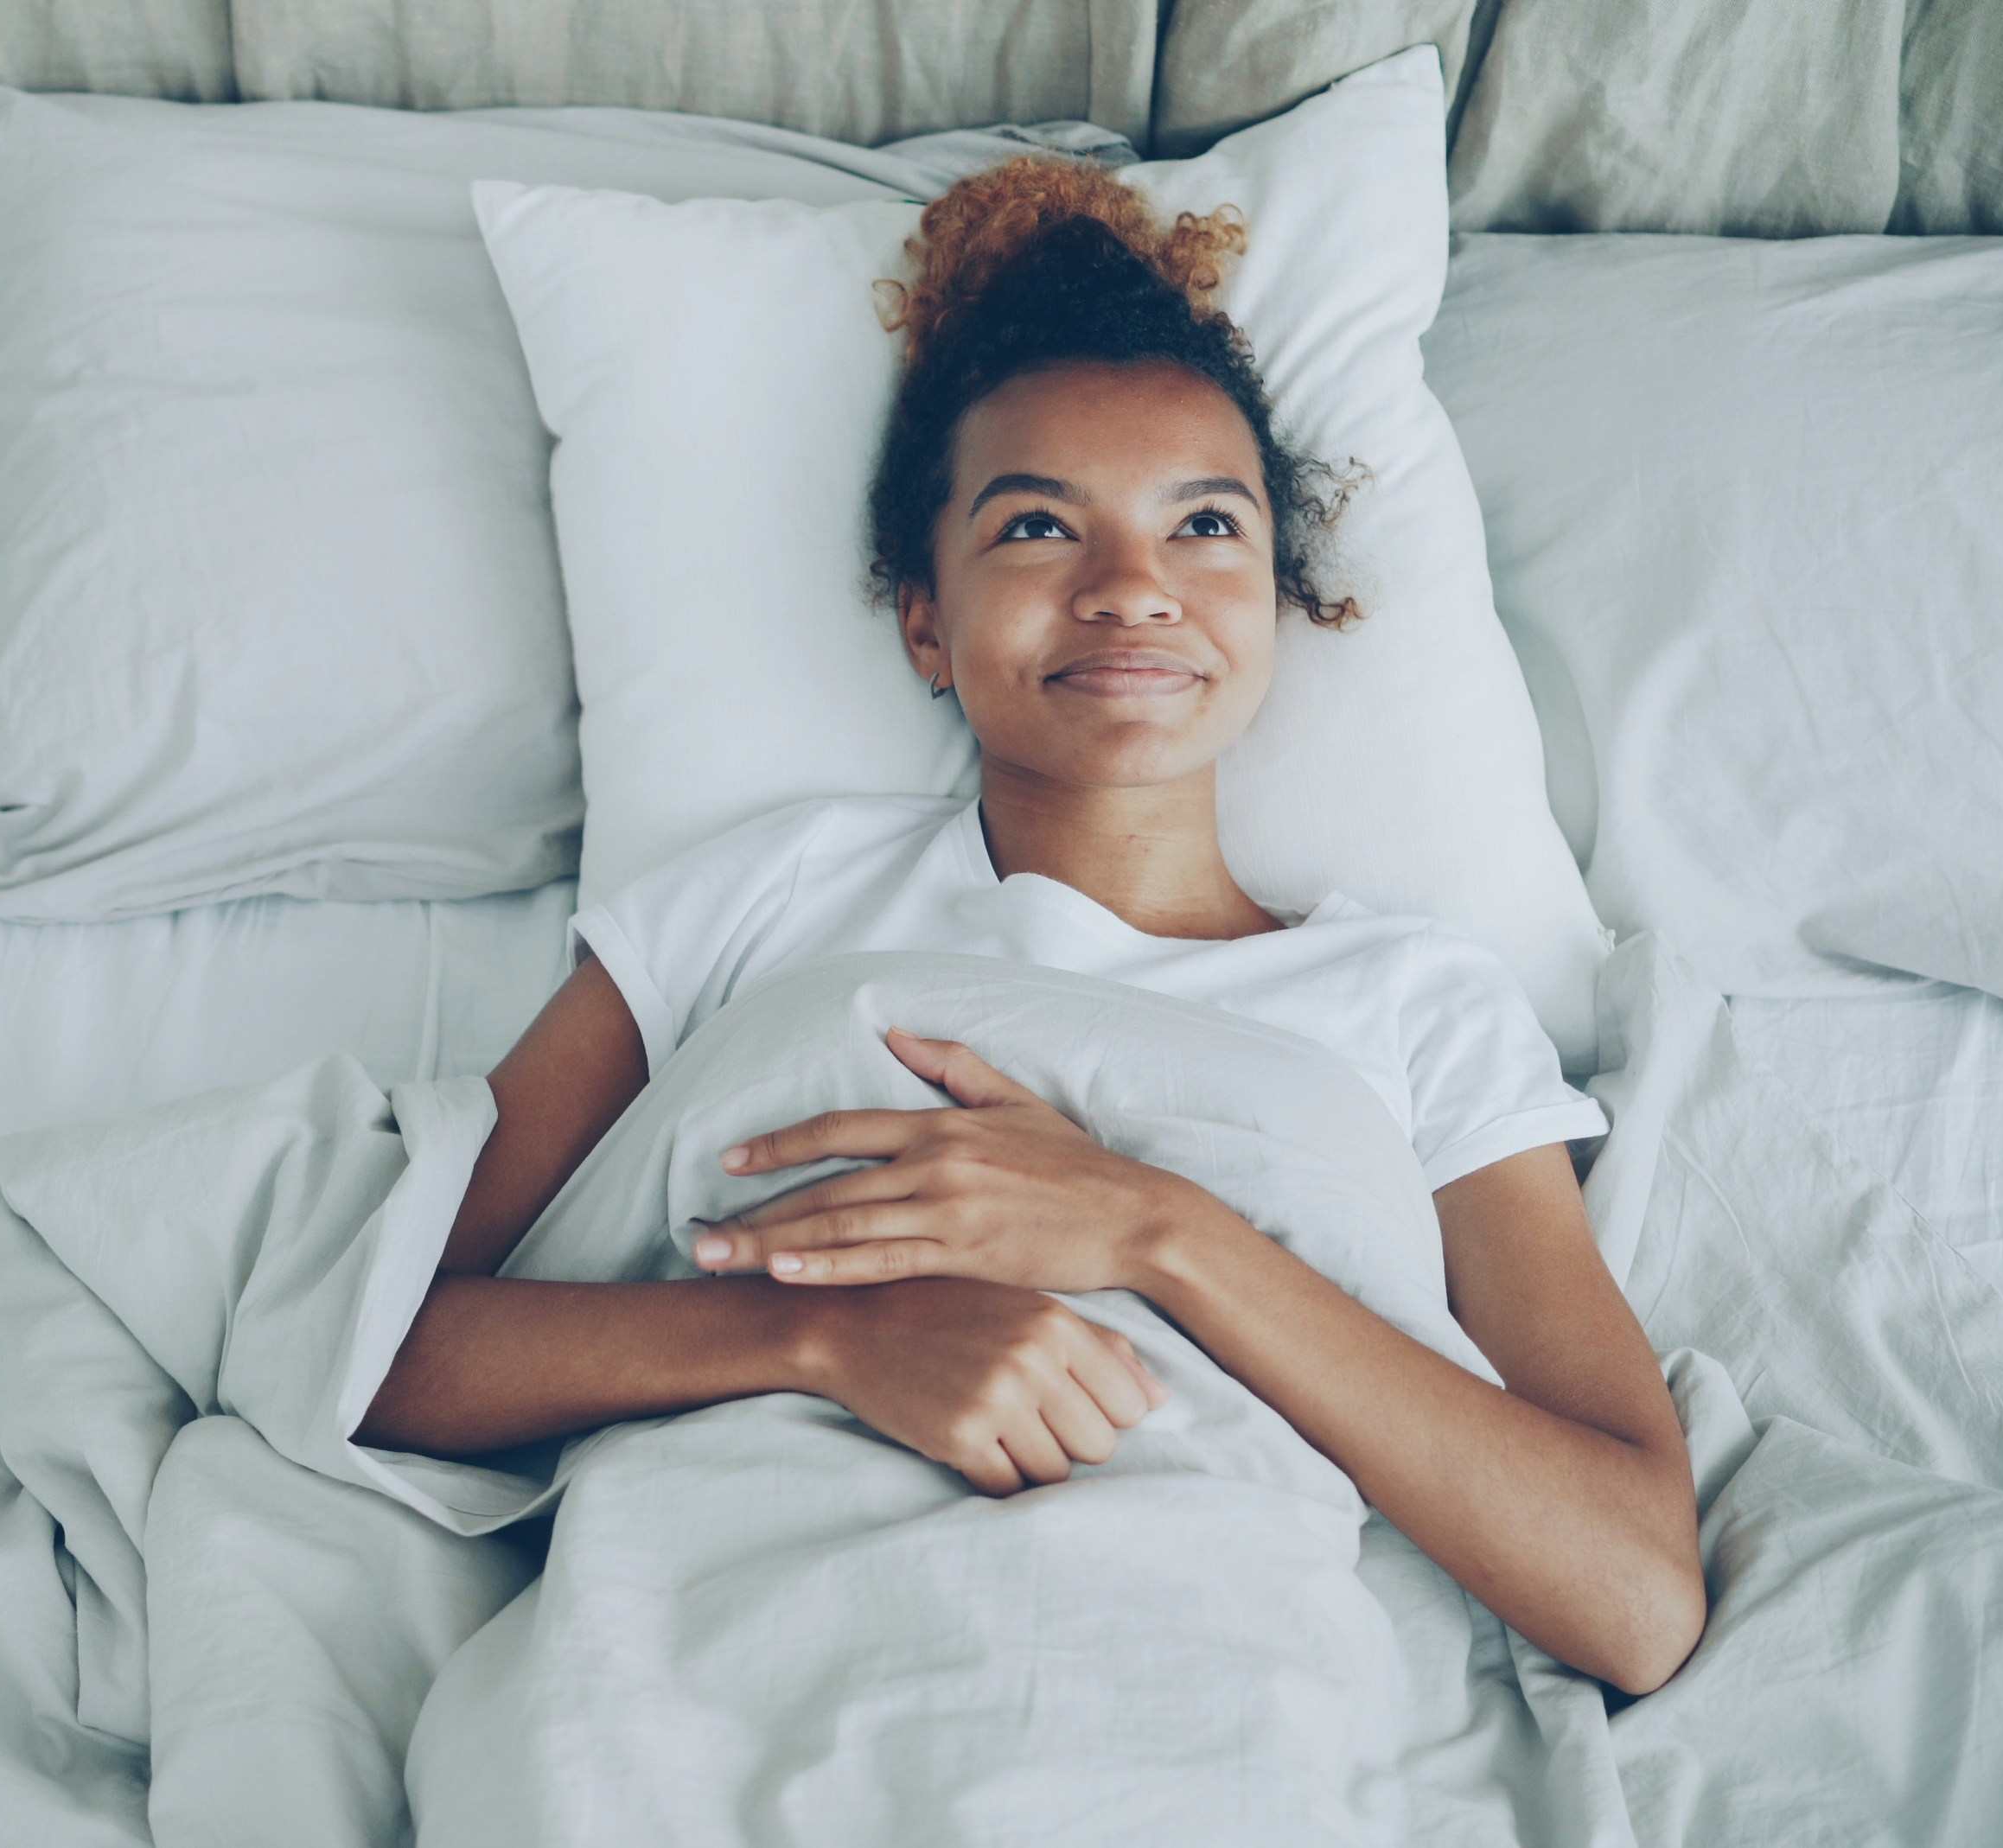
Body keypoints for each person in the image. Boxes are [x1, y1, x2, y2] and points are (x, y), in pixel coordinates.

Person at [357, 158, 1708, 1696]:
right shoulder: (767, 896)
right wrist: (827, 1340)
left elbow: (1635, 1590)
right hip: (736, 1654)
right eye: (1038, 528)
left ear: (1277, 595)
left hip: (1222, 1678)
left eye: (1206, 523)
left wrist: (1157, 1229)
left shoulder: (1418, 997)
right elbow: (384, 1349)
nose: (1132, 589)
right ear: (926, 622)